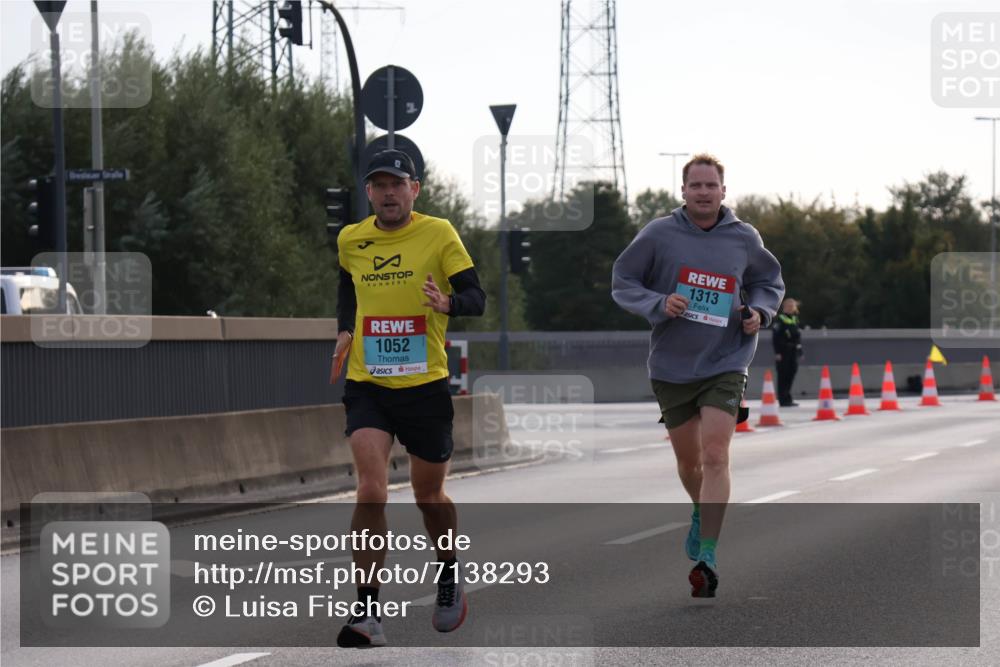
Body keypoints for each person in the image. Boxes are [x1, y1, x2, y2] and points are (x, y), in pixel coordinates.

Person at [611, 153, 784, 598]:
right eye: (696, 186)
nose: (704, 192)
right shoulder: (658, 234)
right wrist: (658, 303)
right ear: (683, 191)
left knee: (714, 456)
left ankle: (708, 553)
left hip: (726, 360)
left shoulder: (743, 237)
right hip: (672, 365)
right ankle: (698, 510)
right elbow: (624, 279)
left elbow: (769, 282)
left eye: (712, 186)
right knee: (689, 463)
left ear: (724, 192)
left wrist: (760, 314)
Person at [333, 149, 486, 647]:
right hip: (368, 384)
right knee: (371, 489)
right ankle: (368, 612)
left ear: (414, 190)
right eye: (379, 185)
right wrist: (343, 329)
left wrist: (448, 303)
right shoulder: (351, 239)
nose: (389, 193)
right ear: (369, 193)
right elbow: (347, 288)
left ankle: (447, 573)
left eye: (397, 184)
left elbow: (476, 298)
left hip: (424, 386)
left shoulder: (439, 233)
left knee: (428, 496)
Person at [772, 297, 803, 406]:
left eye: (792, 306)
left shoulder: (795, 319)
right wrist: (777, 353)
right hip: (783, 351)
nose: (791, 308)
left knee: (791, 373)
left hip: (793, 351)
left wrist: (800, 351)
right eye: (788, 306)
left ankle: (788, 397)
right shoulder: (780, 319)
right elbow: (775, 338)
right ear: (784, 307)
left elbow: (798, 337)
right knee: (783, 375)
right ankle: (783, 399)